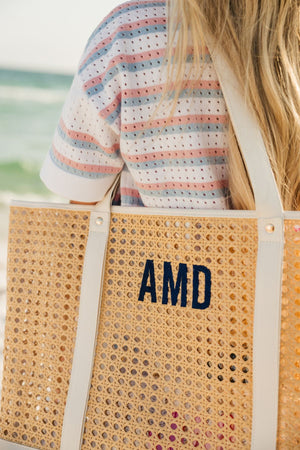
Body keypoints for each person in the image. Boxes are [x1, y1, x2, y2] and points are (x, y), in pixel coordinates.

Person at [40, 0, 300, 211]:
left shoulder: (129, 32)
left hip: (148, 273)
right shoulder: (291, 40)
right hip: (280, 274)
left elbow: (82, 201)